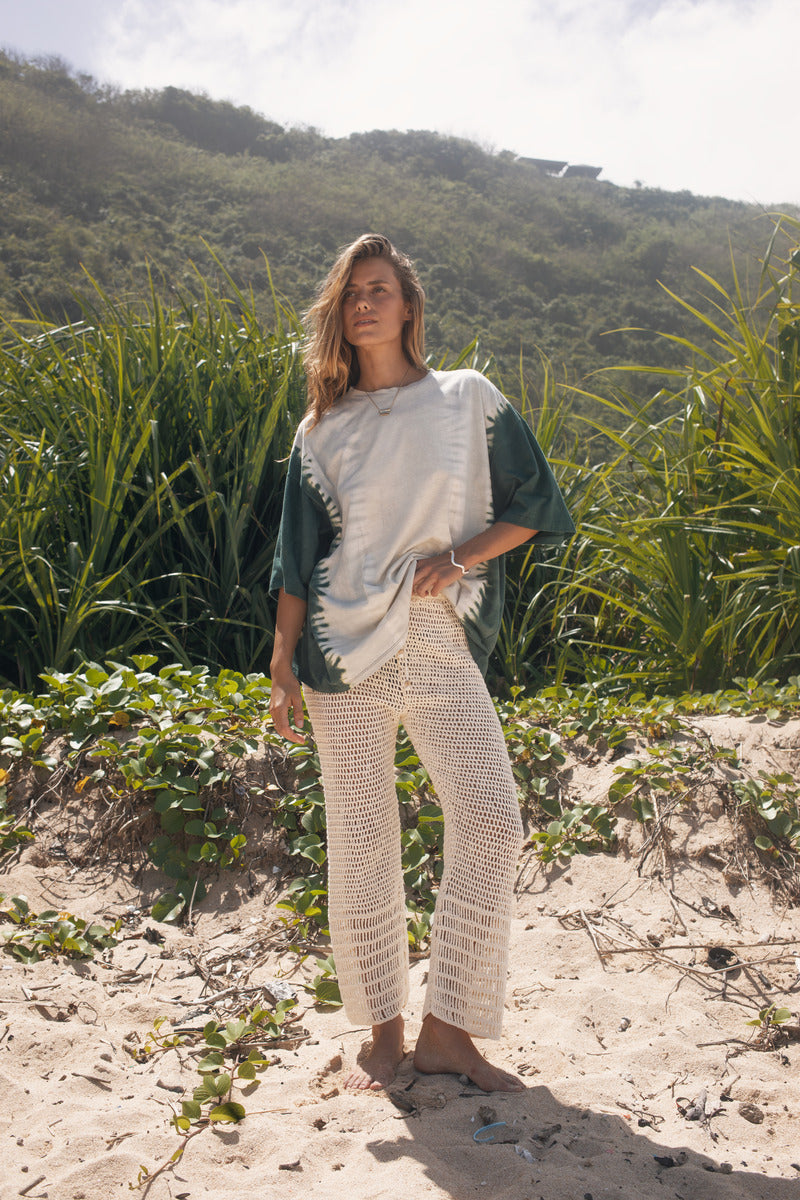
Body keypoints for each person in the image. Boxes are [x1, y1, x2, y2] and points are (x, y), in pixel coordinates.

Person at [269, 233, 574, 1092]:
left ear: (409, 305)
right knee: (360, 837)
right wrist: (285, 656)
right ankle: (380, 1029)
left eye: (379, 289)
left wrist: (465, 557)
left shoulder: (466, 399)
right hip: (338, 648)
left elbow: (536, 503)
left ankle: (449, 1032)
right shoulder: (321, 429)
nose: (363, 304)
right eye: (350, 295)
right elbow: (297, 557)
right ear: (340, 316)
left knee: (490, 817)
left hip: (436, 630)